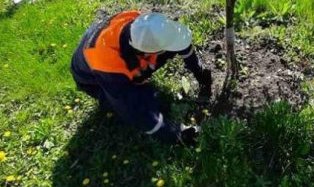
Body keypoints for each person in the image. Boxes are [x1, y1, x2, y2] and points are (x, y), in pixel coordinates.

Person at [71, 10, 212, 145]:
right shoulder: (108, 65)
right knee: (144, 102)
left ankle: (139, 78)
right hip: (91, 79)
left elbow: (177, 41)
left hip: (109, 44)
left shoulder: (143, 23)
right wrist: (176, 135)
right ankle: (113, 96)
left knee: (152, 71)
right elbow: (136, 113)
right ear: (144, 51)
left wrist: (199, 72)